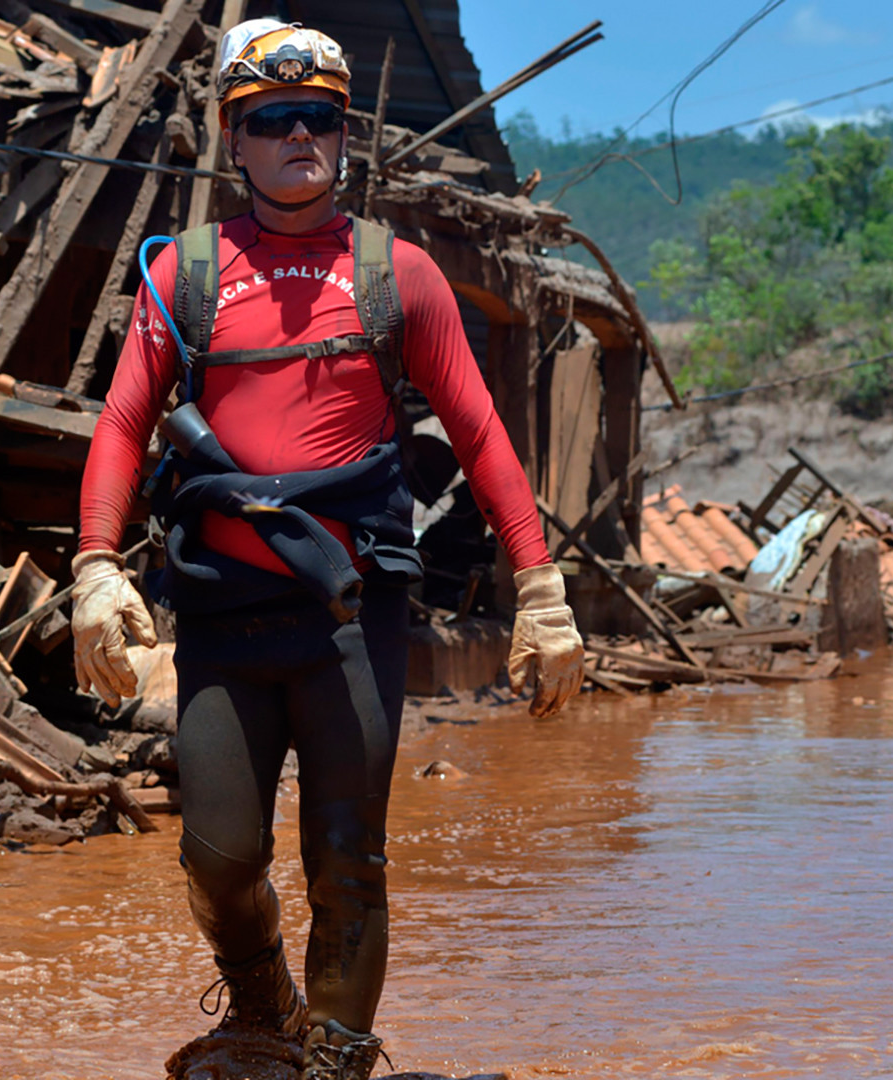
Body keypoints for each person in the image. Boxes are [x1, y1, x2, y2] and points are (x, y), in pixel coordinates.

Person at [72, 20, 587, 1080]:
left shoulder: (402, 277)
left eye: (320, 116)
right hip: (221, 614)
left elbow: (483, 432)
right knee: (219, 862)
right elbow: (123, 424)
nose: (299, 134)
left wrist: (540, 592)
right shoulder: (186, 278)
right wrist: (94, 568)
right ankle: (265, 1010)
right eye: (272, 120)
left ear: (344, 134)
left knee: (349, 863)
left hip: (353, 619)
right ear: (235, 140)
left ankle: (337, 1064)